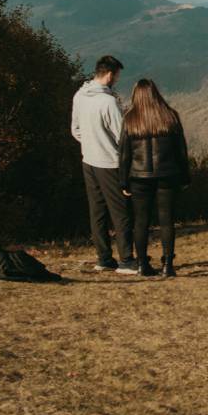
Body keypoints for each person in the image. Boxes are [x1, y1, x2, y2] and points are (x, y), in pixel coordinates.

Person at [71, 56, 137, 273]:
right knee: (121, 212)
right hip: (109, 162)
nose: (116, 80)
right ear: (110, 74)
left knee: (97, 211)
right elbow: (122, 137)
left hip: (88, 160)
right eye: (117, 76)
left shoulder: (80, 95)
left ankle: (104, 258)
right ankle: (126, 260)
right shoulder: (107, 102)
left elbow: (76, 129)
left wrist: (91, 143)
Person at [119, 79, 190, 278]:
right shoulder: (169, 116)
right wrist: (185, 177)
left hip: (139, 177)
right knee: (167, 221)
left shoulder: (130, 119)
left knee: (141, 221)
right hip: (168, 175)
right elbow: (181, 151)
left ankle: (142, 265)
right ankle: (168, 265)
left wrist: (123, 181)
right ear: (156, 93)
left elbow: (124, 155)